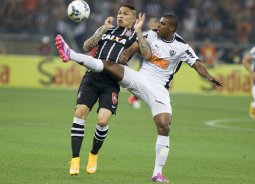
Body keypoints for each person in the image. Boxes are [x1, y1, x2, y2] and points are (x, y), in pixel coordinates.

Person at [55, 14, 223, 182]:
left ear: (171, 28)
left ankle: (157, 173)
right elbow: (134, 46)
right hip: (139, 79)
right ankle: (71, 54)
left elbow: (197, 65)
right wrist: (126, 55)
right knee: (109, 65)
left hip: (159, 89)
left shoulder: (182, 46)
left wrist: (209, 77)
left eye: (163, 24)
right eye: (159, 23)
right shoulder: (151, 34)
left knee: (164, 126)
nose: (158, 25)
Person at [66, 4, 138, 176]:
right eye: (119, 13)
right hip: (92, 77)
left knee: (103, 121)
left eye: (125, 14)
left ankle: (93, 155)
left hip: (111, 81)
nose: (120, 16)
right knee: (80, 112)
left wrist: (140, 32)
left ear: (133, 19)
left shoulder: (135, 36)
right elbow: (86, 47)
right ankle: (75, 160)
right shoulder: (106, 29)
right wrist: (102, 29)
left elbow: (142, 51)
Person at [128, 16, 159, 109]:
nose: (151, 24)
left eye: (153, 23)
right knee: (144, 83)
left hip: (155, 64)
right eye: (150, 22)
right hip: (144, 62)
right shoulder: (144, 34)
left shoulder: (159, 36)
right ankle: (134, 98)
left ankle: (135, 98)